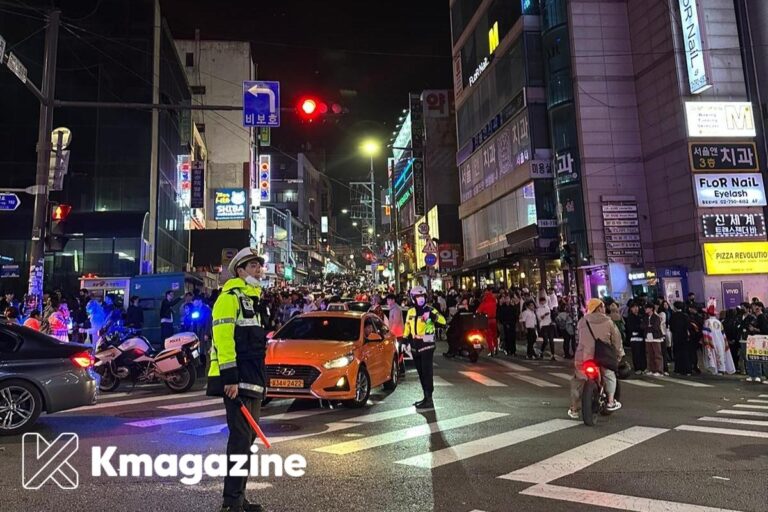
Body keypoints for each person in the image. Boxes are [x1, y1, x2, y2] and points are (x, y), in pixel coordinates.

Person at [207, 247, 268, 512]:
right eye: (252, 266)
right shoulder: (229, 298)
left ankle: (239, 499)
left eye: (258, 265)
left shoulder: (252, 300)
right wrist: (229, 378)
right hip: (236, 379)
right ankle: (231, 503)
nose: (258, 269)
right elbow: (223, 340)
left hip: (252, 378)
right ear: (240, 271)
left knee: (247, 440)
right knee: (240, 439)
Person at [568, 299, 624, 419]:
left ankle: (573, 408)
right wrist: (619, 354)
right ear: (599, 308)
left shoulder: (582, 321)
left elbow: (578, 338)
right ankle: (610, 401)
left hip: (583, 356)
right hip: (603, 356)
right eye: (603, 306)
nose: (604, 309)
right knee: (609, 374)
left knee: (578, 380)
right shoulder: (608, 322)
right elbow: (617, 340)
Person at [403, 286, 446, 409]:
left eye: (422, 296)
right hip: (415, 344)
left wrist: (433, 317)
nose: (420, 299)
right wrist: (405, 339)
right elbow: (407, 326)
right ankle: (425, 396)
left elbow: (442, 322)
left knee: (427, 372)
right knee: (421, 372)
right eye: (417, 297)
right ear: (412, 298)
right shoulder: (411, 312)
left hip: (427, 343)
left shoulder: (430, 310)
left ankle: (429, 398)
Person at [702, 303, 736, 375]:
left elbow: (705, 333)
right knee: (721, 353)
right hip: (721, 341)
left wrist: (706, 342)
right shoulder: (719, 322)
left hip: (711, 340)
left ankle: (715, 369)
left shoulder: (707, 322)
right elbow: (723, 333)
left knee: (712, 354)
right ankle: (722, 369)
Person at [669, 302, 692, 375]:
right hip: (684, 337)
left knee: (677, 354)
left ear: (675, 307)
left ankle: (678, 370)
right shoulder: (685, 316)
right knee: (685, 353)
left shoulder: (673, 316)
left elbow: (671, 327)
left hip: (676, 337)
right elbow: (688, 326)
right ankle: (687, 370)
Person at [642, 303, 664, 375]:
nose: (645, 310)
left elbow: (656, 327)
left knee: (657, 354)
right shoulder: (645, 317)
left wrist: (648, 326)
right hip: (648, 337)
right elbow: (642, 326)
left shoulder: (656, 317)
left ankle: (659, 370)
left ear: (651, 309)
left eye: (647, 308)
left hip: (655, 337)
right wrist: (648, 326)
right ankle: (652, 369)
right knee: (650, 354)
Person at [475, 289, 498, 356]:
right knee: (494, 335)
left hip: (486, 320)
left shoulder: (484, 303)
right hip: (494, 320)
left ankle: (492, 350)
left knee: (489, 336)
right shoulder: (494, 301)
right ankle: (496, 347)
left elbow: (478, 311)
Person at [626, 302, 645, 374]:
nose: (636, 309)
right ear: (631, 309)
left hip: (641, 337)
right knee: (636, 354)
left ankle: (643, 367)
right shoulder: (630, 317)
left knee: (642, 353)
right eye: (634, 307)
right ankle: (637, 368)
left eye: (637, 307)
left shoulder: (641, 316)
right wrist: (640, 327)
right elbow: (632, 328)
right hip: (634, 339)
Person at [536, 296, 555, 360]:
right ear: (540, 302)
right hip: (543, 326)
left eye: (544, 301)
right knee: (546, 340)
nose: (543, 302)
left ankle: (552, 355)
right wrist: (544, 315)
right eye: (542, 301)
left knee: (551, 340)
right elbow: (539, 319)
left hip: (549, 325)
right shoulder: (538, 310)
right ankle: (541, 352)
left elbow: (550, 316)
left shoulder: (547, 307)